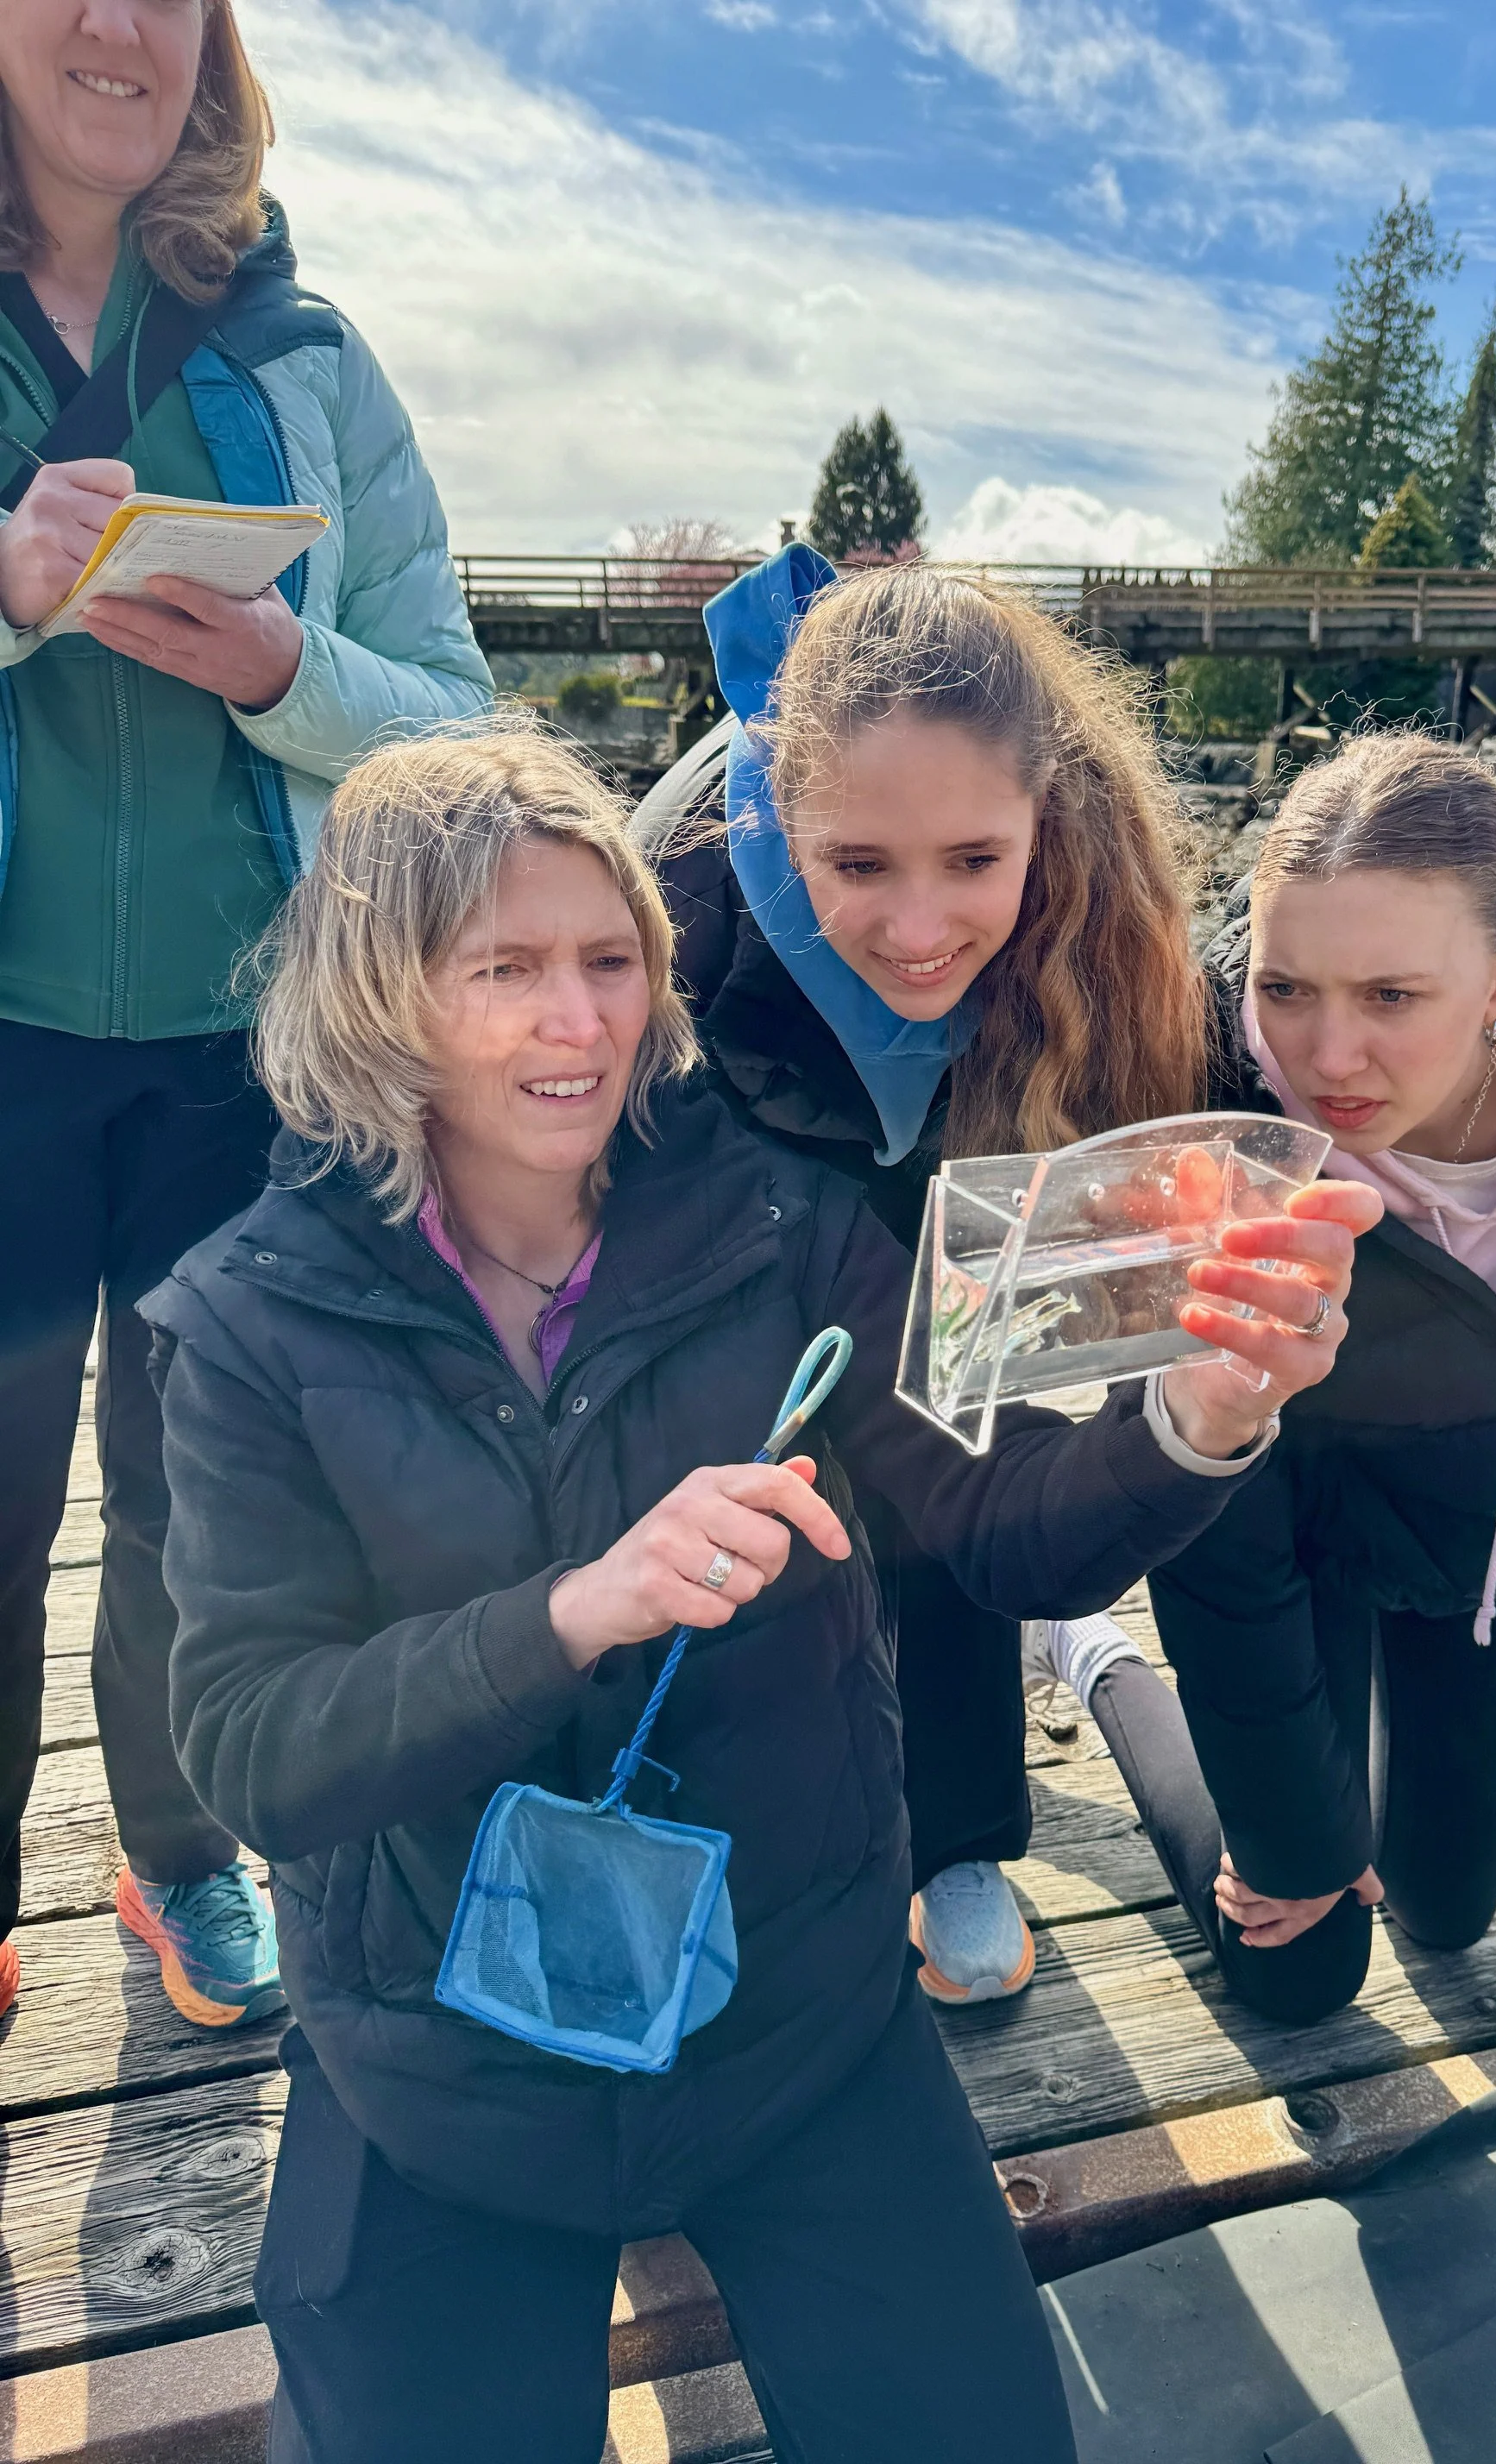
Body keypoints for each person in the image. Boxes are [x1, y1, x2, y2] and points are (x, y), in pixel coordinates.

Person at [141, 724, 1361, 2464]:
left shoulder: (785, 1227)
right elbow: (258, 1753)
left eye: (612, 960)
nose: (581, 1023)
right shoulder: (247, 1323)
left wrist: (1198, 1419)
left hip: (800, 2019)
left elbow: (1001, 1533)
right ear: (378, 997)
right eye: (507, 970)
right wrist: (575, 1607)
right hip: (439, 2068)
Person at [632, 544, 1376, 2003]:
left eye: (973, 861)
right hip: (755, 1148)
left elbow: (1218, 1355)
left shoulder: (1114, 950)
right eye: (858, 863)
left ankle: (962, 1830)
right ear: (783, 816)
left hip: (972, 1157)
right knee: (774, 1468)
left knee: (957, 1451)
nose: (918, 930)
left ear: (1047, 818)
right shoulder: (677, 916)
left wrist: (1298, 1810)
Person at [0, 0, 491, 2030]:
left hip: (245, 1058)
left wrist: (287, 662)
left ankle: (179, 1853)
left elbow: (457, 708)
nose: (115, 21)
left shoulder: (313, 355)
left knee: (200, 1498)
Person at [1093, 731, 1496, 2025]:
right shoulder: (1209, 1107)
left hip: (1491, 1553)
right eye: (1288, 988)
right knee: (1297, 1969)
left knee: (1447, 1922)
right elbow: (1214, 1525)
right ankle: (1095, 1666)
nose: (1327, 1058)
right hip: (1301, 1549)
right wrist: (1294, 1830)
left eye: (1390, 997)